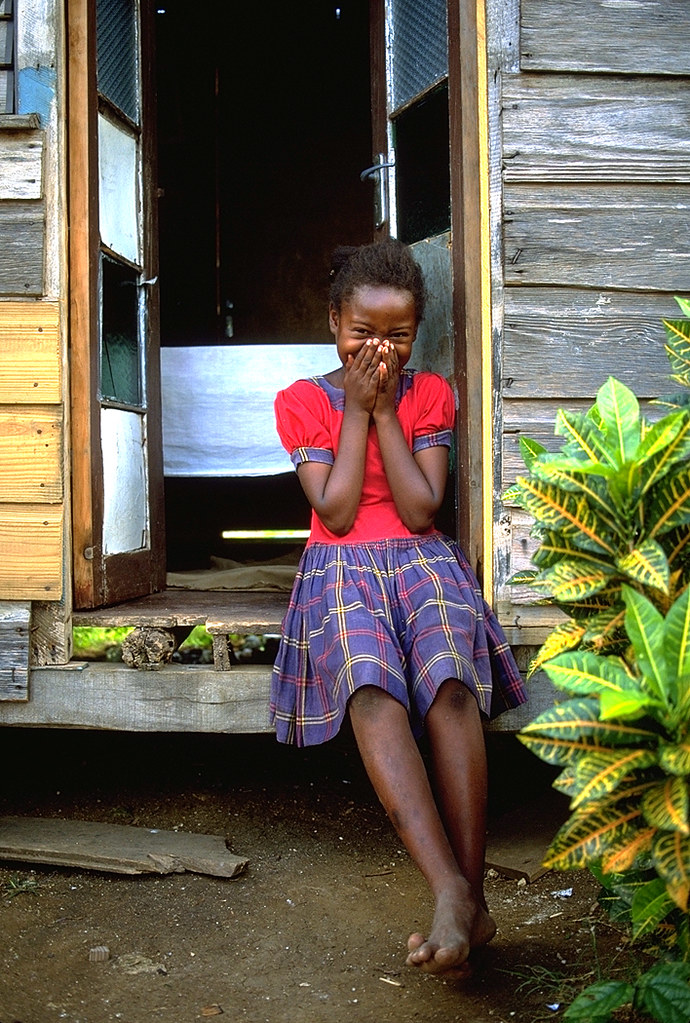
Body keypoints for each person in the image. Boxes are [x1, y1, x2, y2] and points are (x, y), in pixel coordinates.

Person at [271, 239, 527, 976]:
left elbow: (421, 509)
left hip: (421, 558)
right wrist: (356, 409)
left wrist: (386, 413)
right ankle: (451, 888)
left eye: (397, 336)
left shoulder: (430, 395)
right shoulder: (302, 401)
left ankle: (466, 897)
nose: (379, 348)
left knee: (448, 677)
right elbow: (340, 509)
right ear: (333, 322)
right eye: (363, 333)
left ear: (416, 334)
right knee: (370, 682)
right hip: (341, 565)